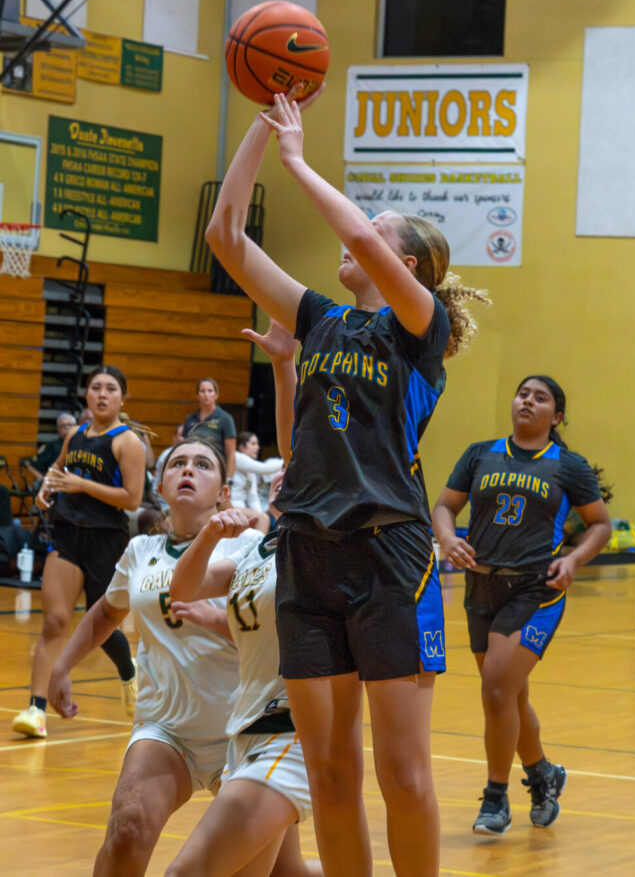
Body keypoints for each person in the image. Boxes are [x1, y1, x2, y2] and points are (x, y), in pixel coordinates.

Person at [205, 87, 489, 877]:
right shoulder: (322, 320)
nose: (362, 237)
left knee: (403, 774)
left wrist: (300, 160)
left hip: (388, 555)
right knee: (329, 775)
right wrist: (261, 134)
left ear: (406, 267)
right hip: (305, 551)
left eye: (381, 238)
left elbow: (358, 233)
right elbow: (225, 237)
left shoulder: (417, 329)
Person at [46, 437, 262, 876]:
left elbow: (274, 641)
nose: (188, 470)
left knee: (280, 870)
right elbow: (106, 611)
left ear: (224, 490)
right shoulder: (141, 551)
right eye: (177, 464)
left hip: (243, 735)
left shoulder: (249, 546)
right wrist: (62, 665)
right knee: (128, 826)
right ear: (160, 486)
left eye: (203, 464)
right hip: (166, 731)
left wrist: (213, 620)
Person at [165, 323, 321, 877]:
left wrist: (284, 368)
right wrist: (209, 534)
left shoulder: (317, 548)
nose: (284, 475)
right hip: (246, 734)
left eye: (294, 470)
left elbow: (300, 437)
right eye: (281, 474)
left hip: (290, 736)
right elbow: (180, 589)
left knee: (185, 874)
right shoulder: (255, 548)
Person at [431, 375, 611, 836]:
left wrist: (573, 559)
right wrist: (449, 538)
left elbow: (600, 526)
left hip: (536, 590)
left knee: (495, 690)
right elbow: (445, 507)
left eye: (541, 397)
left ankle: (496, 798)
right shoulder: (479, 454)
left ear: (557, 416)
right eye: (523, 393)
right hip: (481, 587)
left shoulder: (567, 466)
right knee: (508, 695)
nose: (528, 401)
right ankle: (543, 774)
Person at [11, 366, 145, 740]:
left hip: (106, 541)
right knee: (55, 621)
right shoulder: (75, 436)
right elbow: (55, 473)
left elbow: (132, 499)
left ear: (122, 397)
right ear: (87, 395)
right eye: (96, 388)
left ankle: (128, 671)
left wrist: (81, 483)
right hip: (68, 535)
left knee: (101, 625)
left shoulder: (127, 442)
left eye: (111, 389)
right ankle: (36, 711)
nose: (102, 394)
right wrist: (47, 490)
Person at [183, 378, 237, 477]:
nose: (206, 395)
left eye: (210, 391)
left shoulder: (225, 418)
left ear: (216, 395)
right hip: (193, 469)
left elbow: (231, 453)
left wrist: (229, 478)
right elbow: (183, 447)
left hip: (215, 469)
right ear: (197, 395)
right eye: (202, 391)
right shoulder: (190, 418)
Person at [230, 430, 284, 512]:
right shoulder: (236, 457)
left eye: (257, 444)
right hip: (230, 506)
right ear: (241, 446)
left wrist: (260, 515)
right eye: (253, 444)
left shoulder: (251, 471)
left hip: (242, 510)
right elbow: (264, 468)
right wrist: (288, 460)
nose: (257, 447)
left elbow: (253, 498)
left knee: (263, 518)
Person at [24, 412, 77, 485]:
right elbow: (30, 465)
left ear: (76, 427)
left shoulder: (82, 444)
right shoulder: (52, 446)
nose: (67, 428)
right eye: (63, 425)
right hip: (56, 484)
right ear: (58, 429)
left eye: (70, 425)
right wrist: (43, 480)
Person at [153, 423, 186, 489]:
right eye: (182, 435)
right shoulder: (168, 455)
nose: (185, 438)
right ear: (174, 437)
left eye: (187, 434)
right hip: (160, 496)